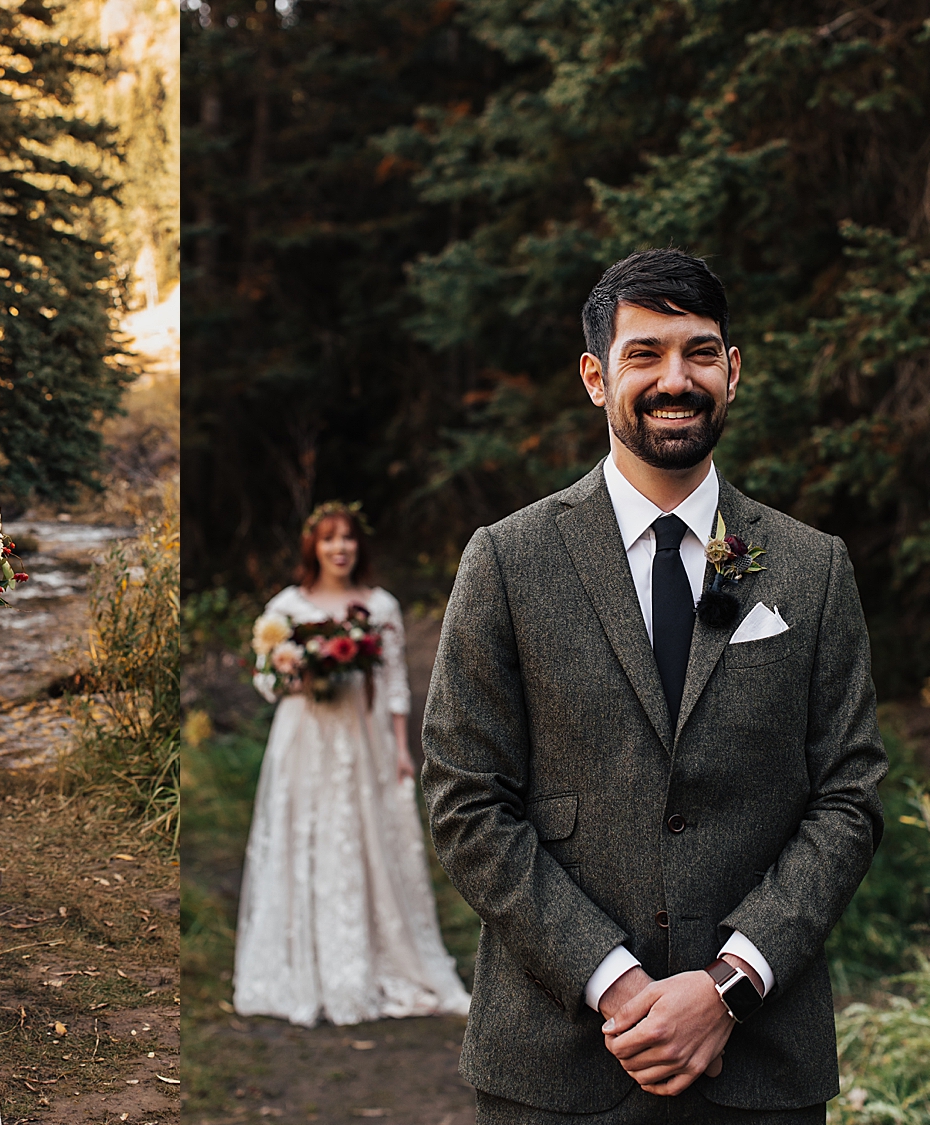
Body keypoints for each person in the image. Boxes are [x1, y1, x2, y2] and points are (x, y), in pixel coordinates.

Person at [421, 249, 887, 1122]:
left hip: (760, 1066)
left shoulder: (811, 568)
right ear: (597, 377)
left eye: (700, 351)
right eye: (645, 354)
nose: (676, 378)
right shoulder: (508, 561)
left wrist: (729, 985)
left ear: (733, 370)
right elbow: (466, 800)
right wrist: (617, 982)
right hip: (555, 1067)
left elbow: (850, 797)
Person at [232, 501, 472, 1027]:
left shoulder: (381, 607)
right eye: (328, 539)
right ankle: (309, 962)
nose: (339, 548)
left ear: (358, 546)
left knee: (367, 838)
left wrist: (402, 749)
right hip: (305, 738)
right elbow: (266, 681)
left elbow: (394, 686)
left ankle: (378, 954)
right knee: (308, 834)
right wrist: (295, 671)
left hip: (363, 739)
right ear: (313, 548)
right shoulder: (286, 608)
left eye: (347, 539)